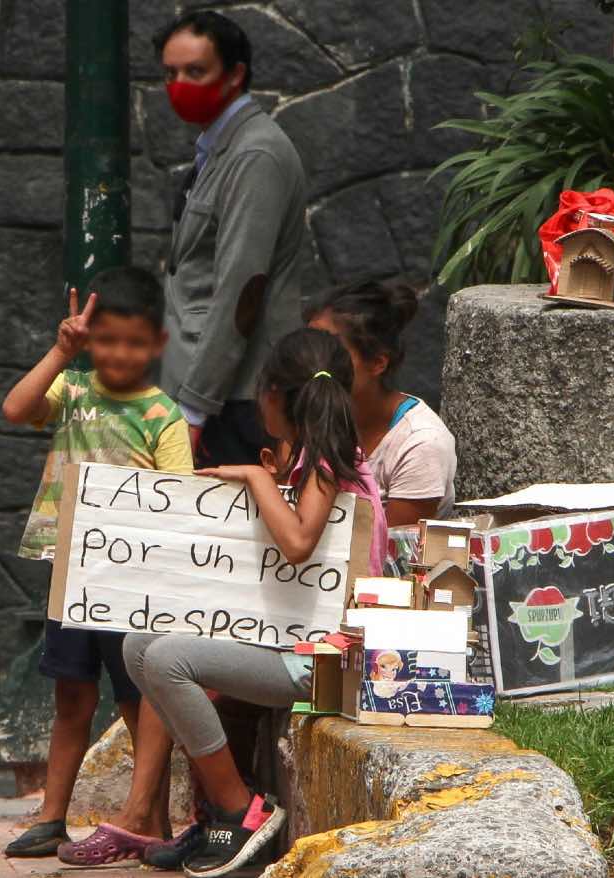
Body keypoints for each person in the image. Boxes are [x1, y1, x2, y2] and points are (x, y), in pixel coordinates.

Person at [74, 329, 388, 877]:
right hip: (290, 641)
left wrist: (250, 478)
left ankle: (238, 807)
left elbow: (297, 543)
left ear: (274, 394)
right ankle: (221, 807)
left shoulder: (327, 463)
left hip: (327, 658)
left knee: (172, 660)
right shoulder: (309, 461)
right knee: (141, 644)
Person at [0, 267, 193, 858]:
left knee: (138, 702)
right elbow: (15, 408)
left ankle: (150, 820)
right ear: (89, 340)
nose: (119, 353)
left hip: (133, 585)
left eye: (134, 342)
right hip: (71, 572)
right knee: (71, 698)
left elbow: (180, 499)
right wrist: (62, 353)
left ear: (158, 345)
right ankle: (52, 815)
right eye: (106, 340)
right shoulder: (72, 391)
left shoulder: (164, 416)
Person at [155, 10, 307, 468]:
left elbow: (242, 286)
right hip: (207, 386)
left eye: (195, 71)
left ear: (235, 74)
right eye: (170, 73)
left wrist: (195, 406)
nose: (179, 84)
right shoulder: (218, 147)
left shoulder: (254, 153)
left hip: (234, 397)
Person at [307, 279, 457, 525]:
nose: (312, 360)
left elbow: (390, 552)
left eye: (331, 350)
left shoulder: (421, 443)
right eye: (309, 345)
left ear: (378, 362)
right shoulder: (313, 411)